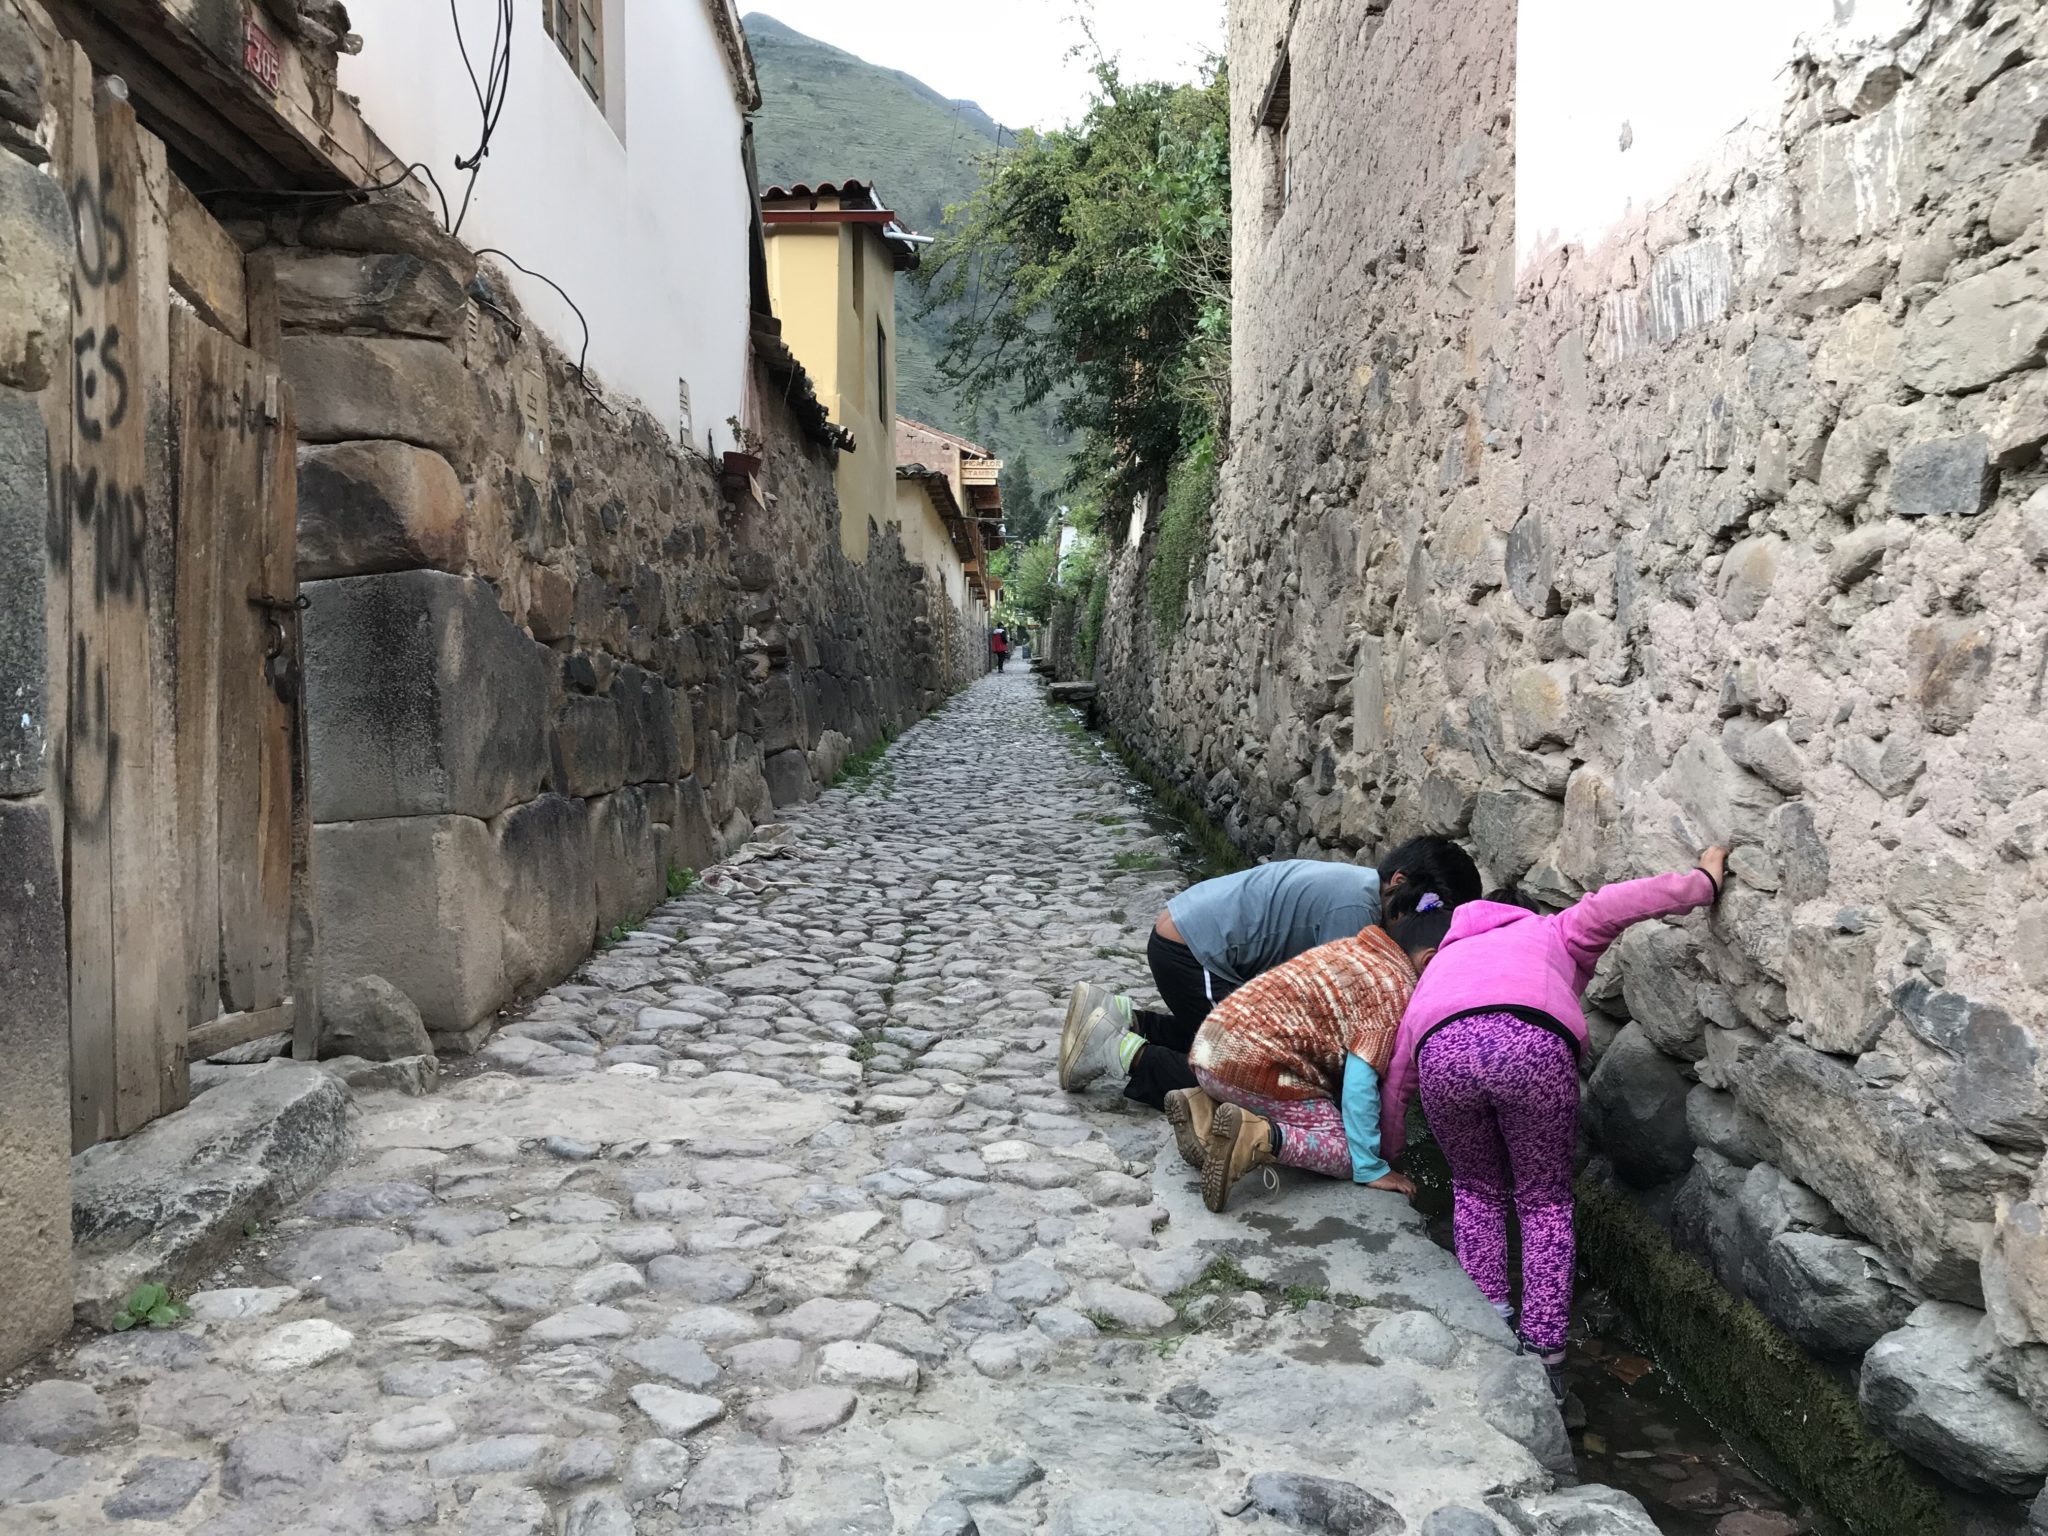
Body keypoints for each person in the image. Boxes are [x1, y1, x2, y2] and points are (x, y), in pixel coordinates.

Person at [1378, 848, 1728, 1396]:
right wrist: (1702, 882)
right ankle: (1545, 1354)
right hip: (1530, 1046)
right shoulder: (1552, 928)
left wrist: (1389, 1154)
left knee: (1476, 1191)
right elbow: (1618, 903)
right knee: (1542, 1201)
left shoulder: (1438, 962)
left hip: (1441, 1051)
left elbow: (1399, 1074)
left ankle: (1491, 1326)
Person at [1057, 836, 1482, 1107]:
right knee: (1247, 1077)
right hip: (1192, 953)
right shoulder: (1356, 910)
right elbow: (1339, 1015)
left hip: (1190, 941)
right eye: (1422, 915)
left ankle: (1125, 1019)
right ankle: (1117, 1053)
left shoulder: (1359, 890)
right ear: (1398, 881)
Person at [1166, 899, 1457, 1212]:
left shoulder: (1355, 949)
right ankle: (1258, 1137)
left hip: (1211, 1047)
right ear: (1429, 963)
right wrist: (1371, 1165)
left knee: (1292, 1091)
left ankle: (1202, 1107)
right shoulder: (1393, 991)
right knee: (1346, 1152)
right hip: (1257, 1066)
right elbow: (1360, 1084)